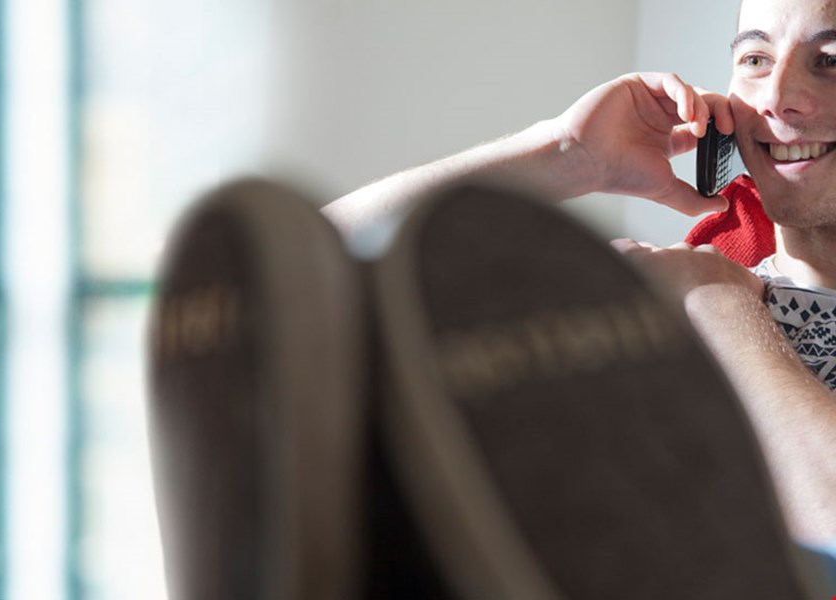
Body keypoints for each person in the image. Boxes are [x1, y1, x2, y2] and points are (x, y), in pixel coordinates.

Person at [322, 0, 836, 555]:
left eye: (830, 59)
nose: (777, 96)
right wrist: (566, 152)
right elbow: (307, 274)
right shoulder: (684, 279)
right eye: (756, 58)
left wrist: (724, 309)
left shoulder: (707, 295)